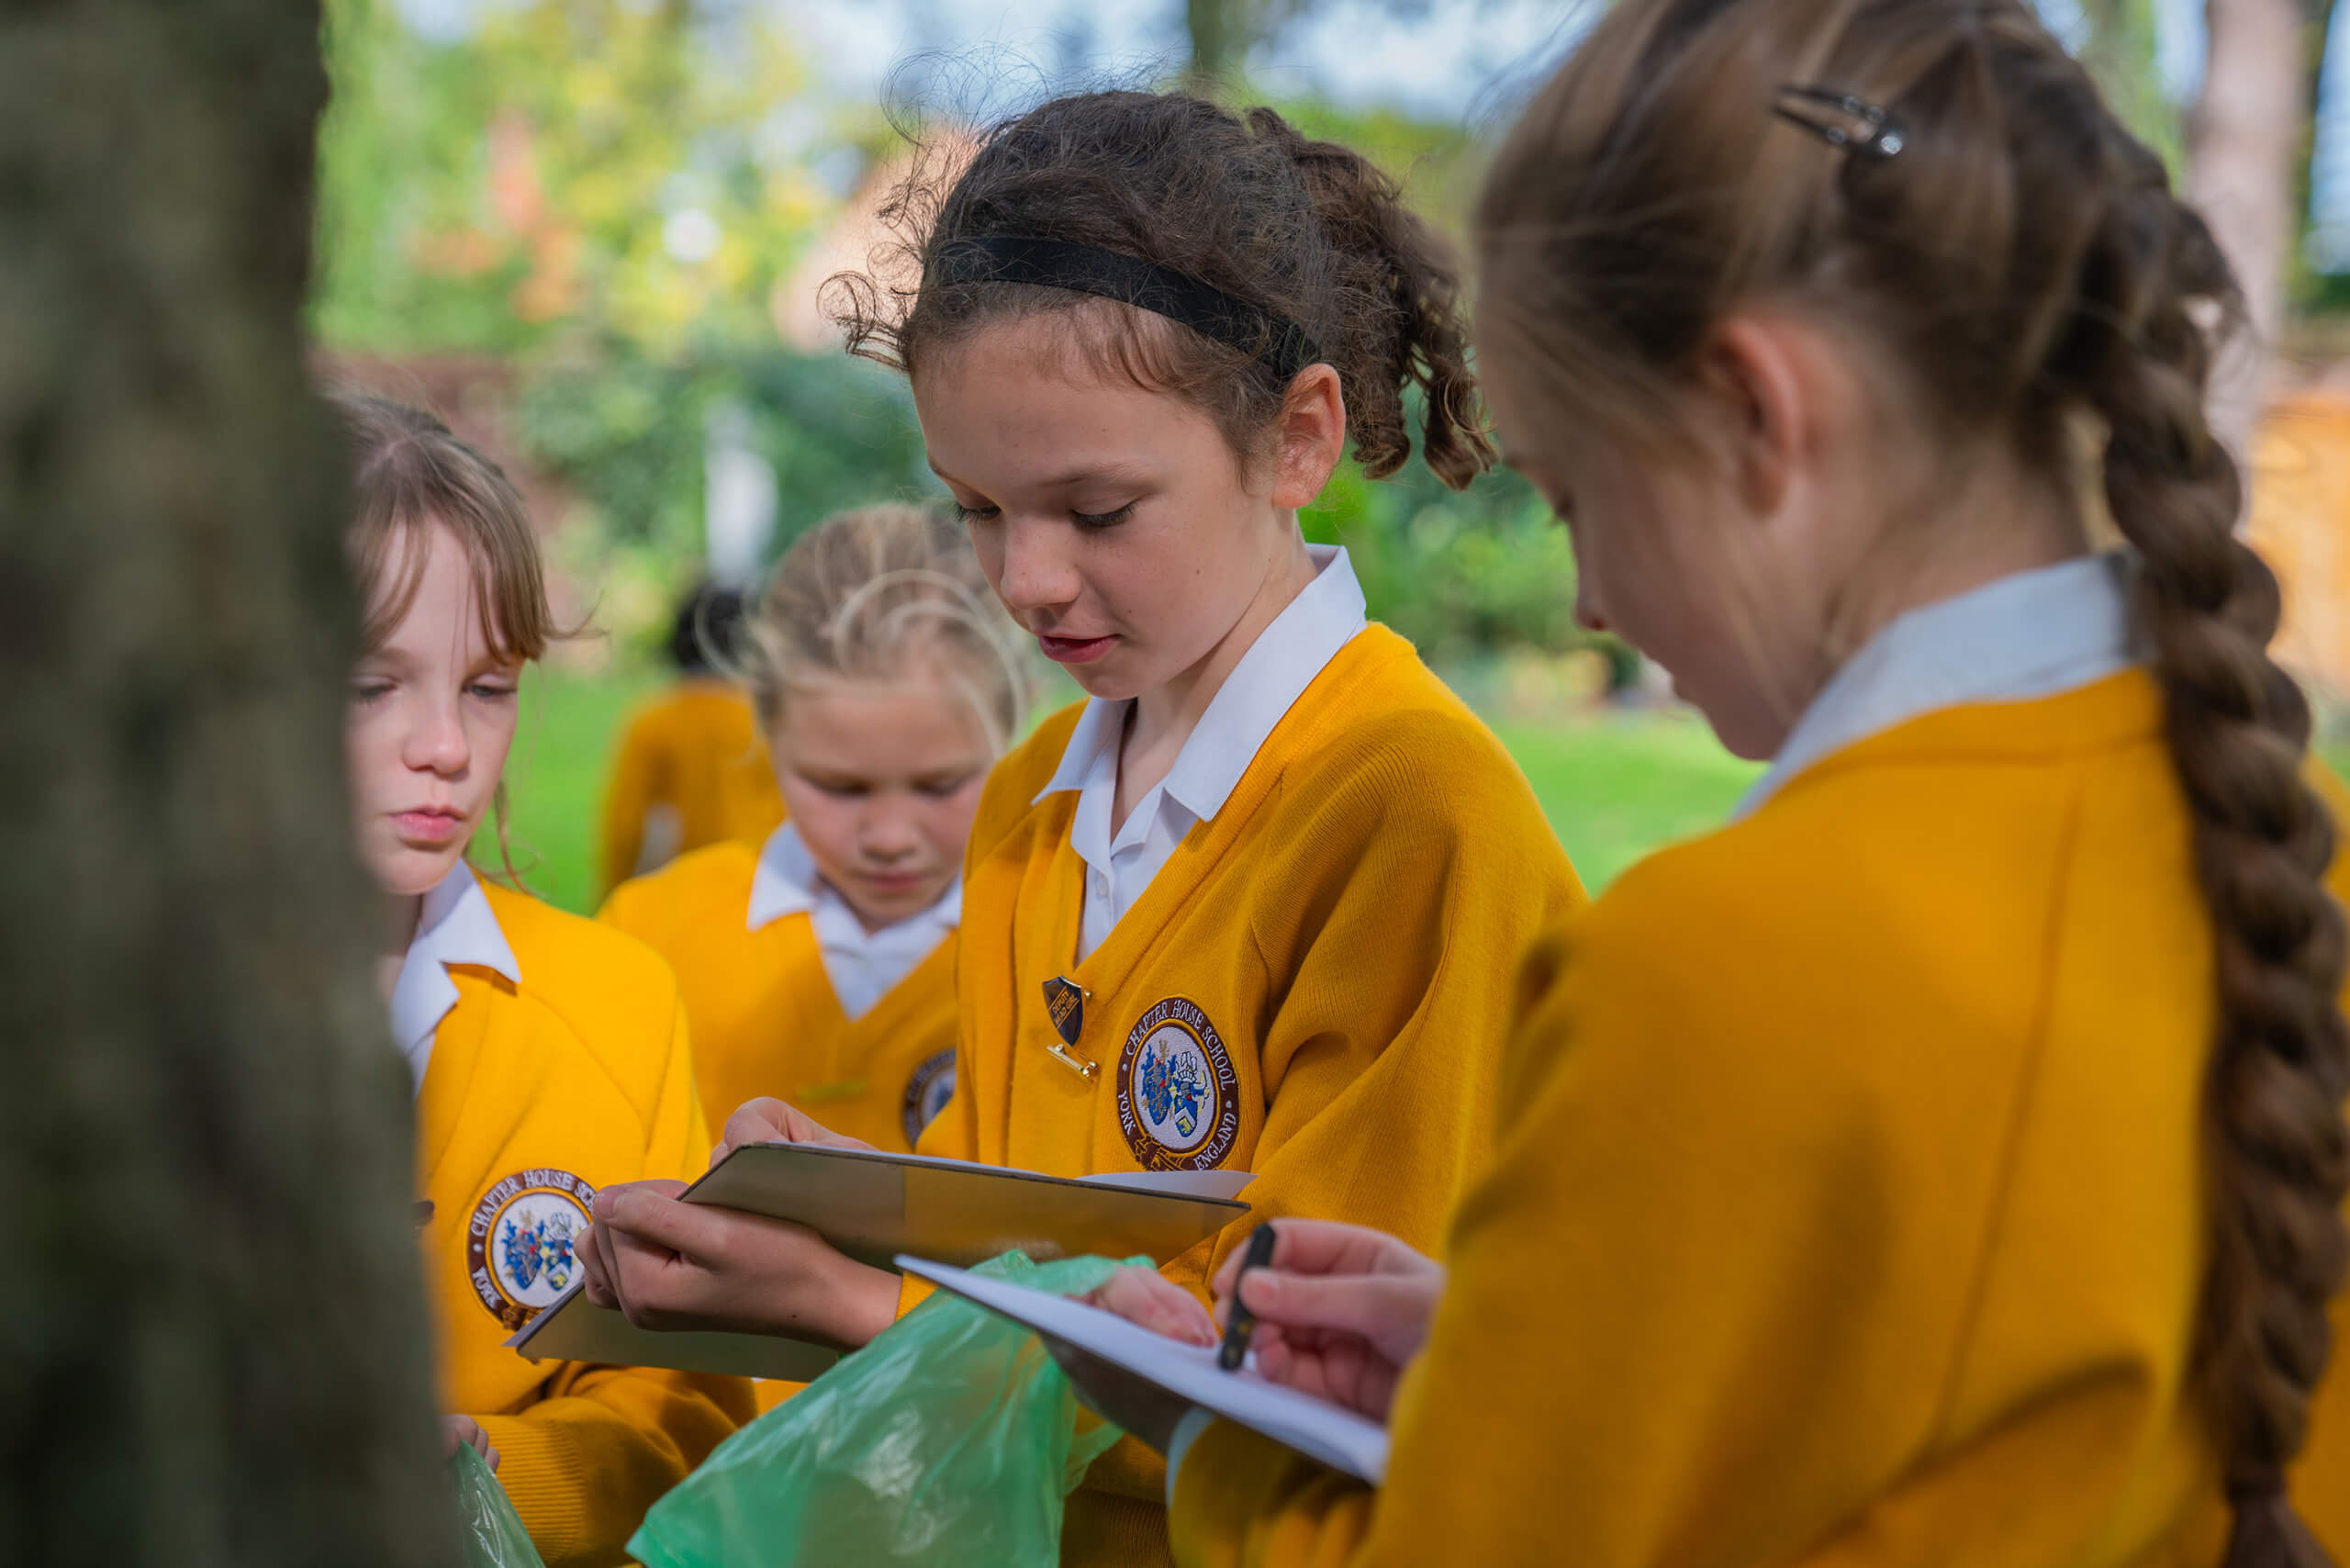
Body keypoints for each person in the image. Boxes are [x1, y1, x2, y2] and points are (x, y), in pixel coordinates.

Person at [1057, 2, 2350, 1563]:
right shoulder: (2281, 860)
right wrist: (1537, 1370)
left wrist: (1221, 1446)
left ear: (1753, 413)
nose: (1593, 603)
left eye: (1578, 494)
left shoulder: (1726, 962)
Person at [576, 89, 1586, 1565]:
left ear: (1298, 439)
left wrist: (853, 1305)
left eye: (1098, 510)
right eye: (977, 507)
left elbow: (1322, 1409)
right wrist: (842, 1206)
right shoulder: (1031, 806)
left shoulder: (1408, 813)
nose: (1028, 581)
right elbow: (1021, 1256)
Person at [337, 392, 752, 1567]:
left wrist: (487, 1474)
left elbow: (684, 1409)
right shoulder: (81, 1023)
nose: (449, 748)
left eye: (488, 685)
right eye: (373, 686)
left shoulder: (615, 1002)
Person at [600, 502, 1024, 1162]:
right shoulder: (649, 935)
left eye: (939, 786)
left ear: (1011, 730)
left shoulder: (1058, 942)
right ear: (766, 729)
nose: (889, 837)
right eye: (840, 787)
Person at [595, 580, 788, 900]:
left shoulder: (654, 723)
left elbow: (627, 829)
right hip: (762, 895)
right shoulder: (770, 725)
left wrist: (612, 898)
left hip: (678, 899)